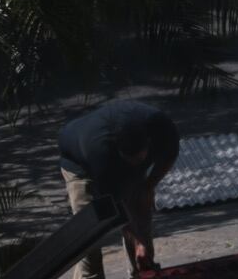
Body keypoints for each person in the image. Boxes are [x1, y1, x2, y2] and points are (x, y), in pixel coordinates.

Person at [56, 100, 178, 279]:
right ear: (117, 150)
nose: (134, 165)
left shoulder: (162, 127)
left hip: (111, 154)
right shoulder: (99, 152)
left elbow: (170, 155)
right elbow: (116, 212)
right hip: (78, 163)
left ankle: (143, 271)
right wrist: (138, 241)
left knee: (140, 212)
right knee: (89, 236)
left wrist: (149, 186)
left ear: (149, 142)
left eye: (139, 160)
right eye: (129, 160)